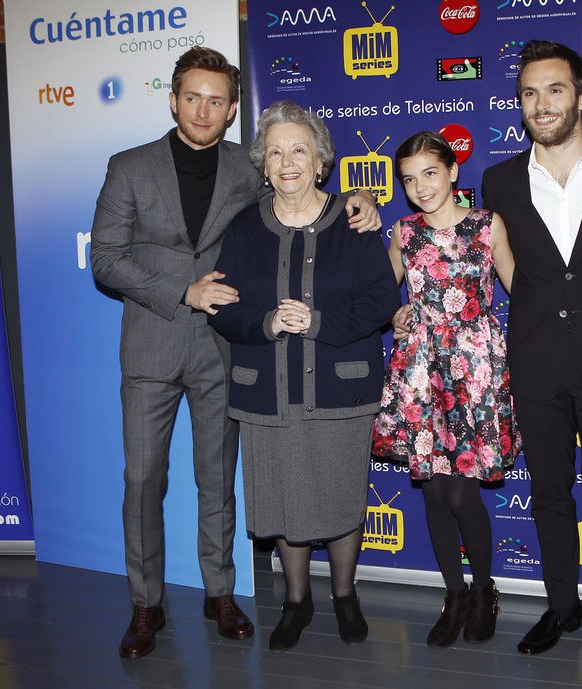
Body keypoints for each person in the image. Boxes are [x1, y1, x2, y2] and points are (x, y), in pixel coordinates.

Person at [90, 47, 380, 660]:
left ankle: (221, 593)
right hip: (153, 342)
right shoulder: (129, 167)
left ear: (230, 111)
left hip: (226, 351)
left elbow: (303, 182)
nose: (203, 109)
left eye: (217, 100)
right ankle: (146, 605)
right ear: (172, 100)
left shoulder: (245, 170)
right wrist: (182, 291)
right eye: (192, 97)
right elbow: (106, 259)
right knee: (143, 478)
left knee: (218, 479)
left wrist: (363, 200)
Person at [478, 40, 582, 676]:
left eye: (554, 90)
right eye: (529, 93)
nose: (541, 103)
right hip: (537, 358)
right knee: (548, 494)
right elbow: (499, 259)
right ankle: (561, 607)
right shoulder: (497, 180)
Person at [208, 100, 398, 651]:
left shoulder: (355, 221)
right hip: (267, 390)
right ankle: (295, 601)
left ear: (320, 161)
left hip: (342, 387)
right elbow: (222, 304)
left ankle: (344, 595)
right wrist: (266, 322)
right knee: (282, 500)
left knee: (341, 499)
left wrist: (317, 322)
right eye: (274, 152)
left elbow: (382, 300)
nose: (287, 161)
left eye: (298, 150)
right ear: (263, 166)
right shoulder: (245, 227)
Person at [372, 132, 521, 648]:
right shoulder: (404, 232)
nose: (420, 187)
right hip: (420, 370)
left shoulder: (487, 225)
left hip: (474, 371)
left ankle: (484, 590)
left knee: (463, 493)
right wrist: (393, 310)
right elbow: (378, 294)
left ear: (454, 172)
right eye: (409, 180)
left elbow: (521, 288)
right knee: (434, 493)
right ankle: (453, 594)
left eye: (430, 173)